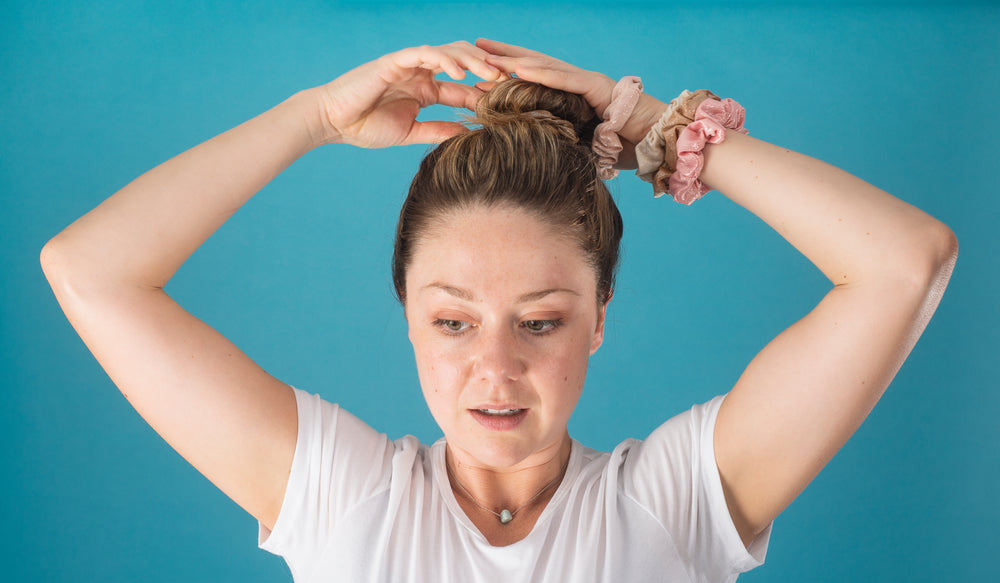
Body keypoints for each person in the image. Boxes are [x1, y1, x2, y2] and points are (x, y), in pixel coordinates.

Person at [40, 39, 957, 582]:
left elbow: (905, 262)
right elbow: (89, 269)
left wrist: (644, 125)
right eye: (452, 320)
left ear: (600, 315)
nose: (496, 368)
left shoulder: (672, 504)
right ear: (405, 310)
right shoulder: (342, 497)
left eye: (541, 319)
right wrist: (313, 115)